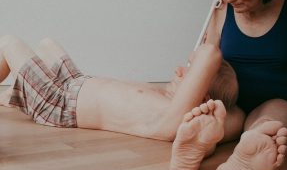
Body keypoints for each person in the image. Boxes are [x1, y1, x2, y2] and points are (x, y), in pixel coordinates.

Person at [170, 0, 287, 170]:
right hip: (229, 102)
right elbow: (207, 57)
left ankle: (248, 153)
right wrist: (189, 74)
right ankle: (198, 146)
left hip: (280, 100)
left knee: (268, 126)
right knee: (211, 123)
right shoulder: (220, 7)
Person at [0, 35, 239, 142]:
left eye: (190, 70)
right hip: (73, 81)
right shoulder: (162, 95)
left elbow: (208, 54)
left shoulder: (168, 114)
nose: (178, 69)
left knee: (8, 42)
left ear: (199, 92)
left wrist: (207, 52)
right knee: (46, 43)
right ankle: (13, 95)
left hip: (58, 103)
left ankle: (20, 95)